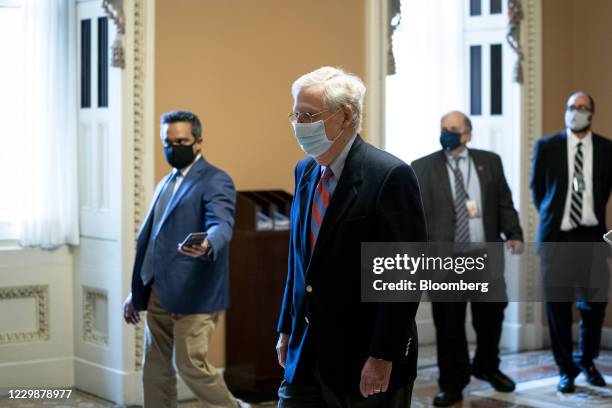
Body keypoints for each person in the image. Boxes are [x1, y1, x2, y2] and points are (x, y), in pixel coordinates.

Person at [275, 67, 427, 407]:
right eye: (295, 114)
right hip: (306, 350)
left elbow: (403, 277)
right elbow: (298, 261)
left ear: (345, 116)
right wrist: (286, 327)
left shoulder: (389, 175)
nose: (299, 124)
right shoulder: (305, 170)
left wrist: (382, 355)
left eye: (309, 115)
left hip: (363, 357)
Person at [122, 111, 248, 408]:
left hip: (196, 292)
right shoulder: (165, 182)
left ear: (198, 142)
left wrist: (208, 242)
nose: (172, 147)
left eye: (181, 141)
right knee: (154, 367)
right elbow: (153, 242)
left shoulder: (216, 179)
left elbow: (222, 223)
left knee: (191, 365)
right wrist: (137, 290)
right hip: (157, 292)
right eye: (167, 141)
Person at [412, 111, 524, 407]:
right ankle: (452, 383)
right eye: (443, 128)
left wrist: (513, 232)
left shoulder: (490, 162)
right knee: (448, 325)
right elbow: (414, 216)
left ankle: (487, 366)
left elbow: (504, 201)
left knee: (491, 318)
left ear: (468, 134)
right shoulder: (422, 167)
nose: (447, 132)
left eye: (454, 128)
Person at [531, 91, 612, 393]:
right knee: (558, 308)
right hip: (557, 239)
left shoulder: (606, 149)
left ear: (592, 113)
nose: (574, 112)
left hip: (592, 237)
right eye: (570, 107)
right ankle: (566, 369)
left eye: (581, 108)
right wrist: (556, 220)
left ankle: (587, 361)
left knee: (594, 306)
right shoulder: (546, 146)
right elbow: (538, 192)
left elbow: (605, 191)